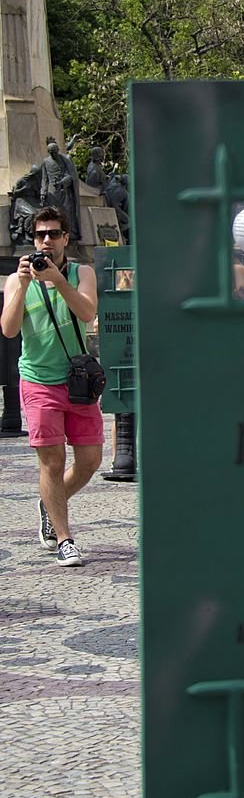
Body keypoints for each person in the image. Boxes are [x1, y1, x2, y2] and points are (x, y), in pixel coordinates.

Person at [0, 207, 103, 565]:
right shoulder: (17, 280)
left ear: (65, 238)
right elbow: (9, 329)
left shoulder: (81, 272)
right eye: (41, 234)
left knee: (90, 461)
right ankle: (64, 539)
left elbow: (88, 313)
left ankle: (49, 503)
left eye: (54, 234)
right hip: (39, 381)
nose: (47, 240)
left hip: (79, 381)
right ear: (33, 239)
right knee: (52, 463)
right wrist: (24, 284)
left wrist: (59, 281)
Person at [40, 139, 81, 242]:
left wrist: (63, 182)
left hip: (64, 191)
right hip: (52, 192)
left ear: (58, 150)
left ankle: (67, 232)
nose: (53, 154)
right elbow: (44, 179)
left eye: (55, 152)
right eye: (51, 152)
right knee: (53, 213)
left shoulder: (65, 159)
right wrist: (43, 191)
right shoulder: (45, 162)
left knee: (66, 211)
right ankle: (53, 233)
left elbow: (71, 175)